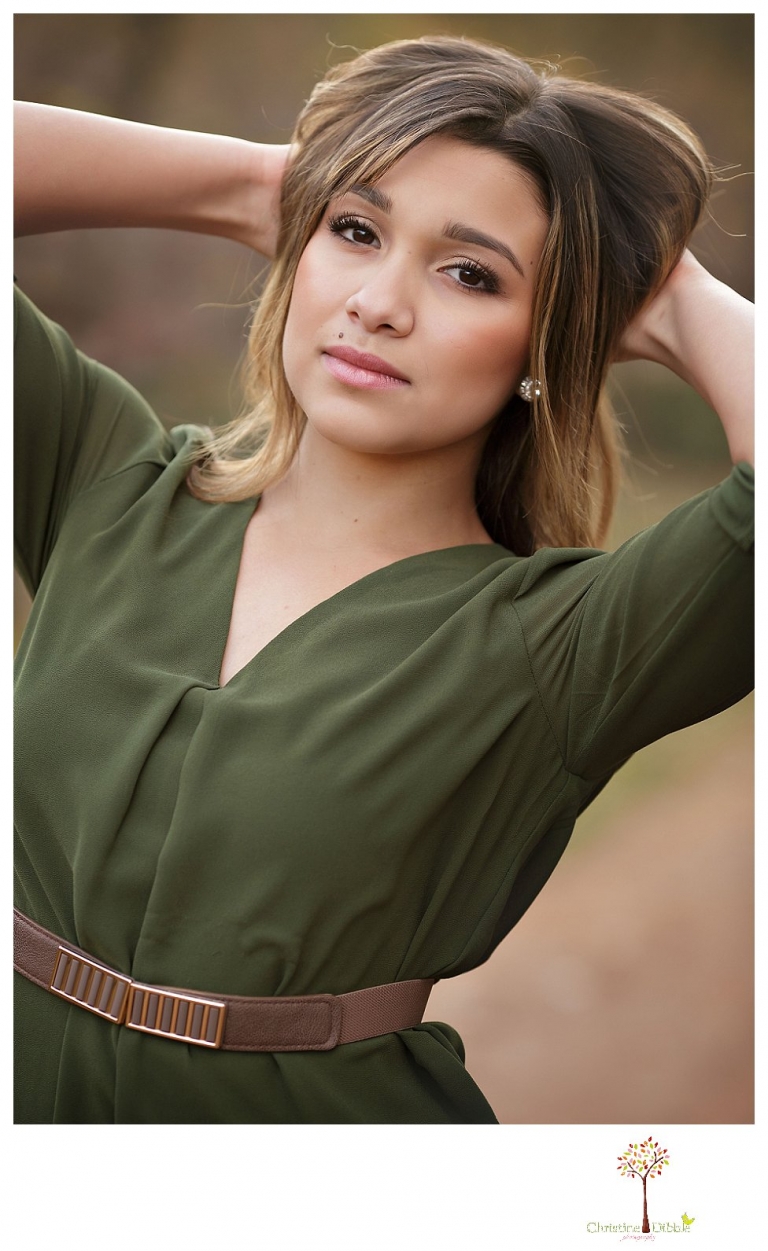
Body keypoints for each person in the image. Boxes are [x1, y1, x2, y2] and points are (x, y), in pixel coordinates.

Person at [13, 35, 753, 1124]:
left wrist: (672, 291)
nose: (380, 302)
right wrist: (257, 183)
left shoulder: (563, 647)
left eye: (470, 273)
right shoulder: (105, 483)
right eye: (354, 232)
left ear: (544, 337)